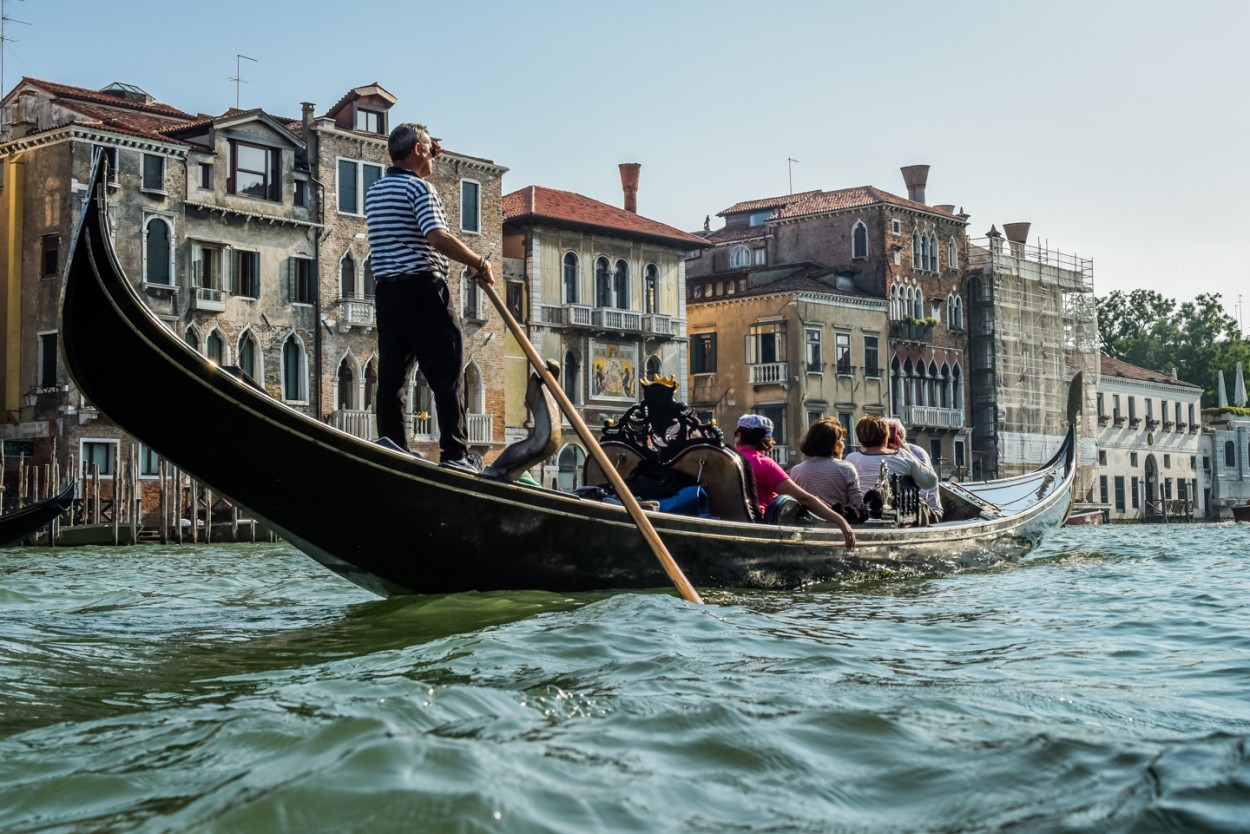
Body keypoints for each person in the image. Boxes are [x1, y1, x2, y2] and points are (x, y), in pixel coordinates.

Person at [365, 122, 493, 472]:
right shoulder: (419, 189)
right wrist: (478, 261)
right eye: (430, 148)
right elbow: (437, 237)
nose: (436, 153)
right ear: (418, 150)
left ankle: (391, 443)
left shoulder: (374, 191)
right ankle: (456, 456)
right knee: (448, 371)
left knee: (393, 375)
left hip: (387, 294)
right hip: (423, 289)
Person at [733, 415, 856, 549]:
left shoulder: (726, 459)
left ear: (739, 436)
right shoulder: (764, 464)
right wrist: (841, 521)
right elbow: (804, 499)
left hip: (731, 523)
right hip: (762, 529)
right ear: (766, 439)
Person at [844, 415, 938, 516]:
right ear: (886, 438)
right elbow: (931, 482)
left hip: (864, 515)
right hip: (900, 516)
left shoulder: (851, 459)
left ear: (860, 439)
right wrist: (908, 451)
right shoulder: (903, 455)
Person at [790, 417, 868, 522]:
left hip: (808, 525)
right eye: (842, 441)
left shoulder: (796, 470)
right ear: (835, 445)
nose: (843, 445)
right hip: (838, 526)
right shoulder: (846, 468)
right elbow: (858, 505)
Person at [886, 418, 943, 521]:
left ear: (900, 437)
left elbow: (922, 493)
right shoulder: (885, 454)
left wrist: (906, 452)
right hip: (899, 509)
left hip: (928, 511)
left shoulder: (917, 453)